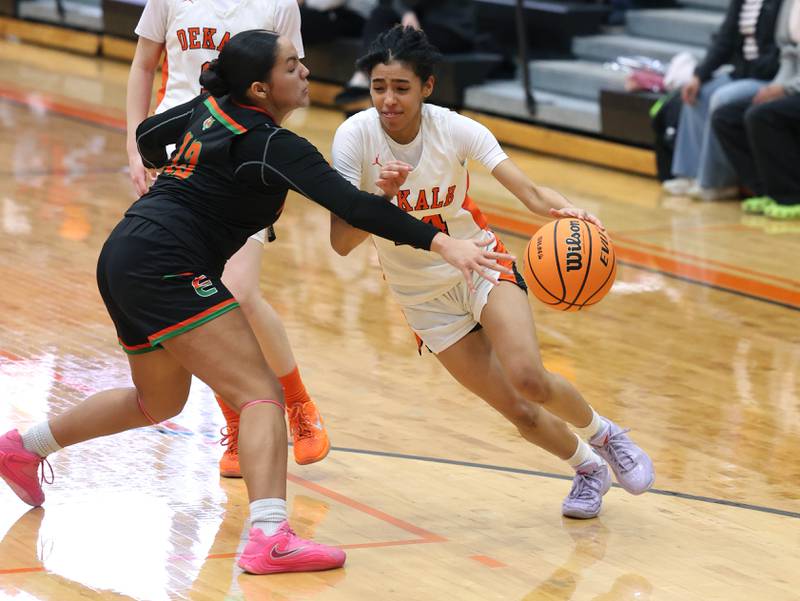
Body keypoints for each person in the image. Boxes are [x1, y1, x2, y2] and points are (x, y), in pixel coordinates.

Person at [0, 30, 509, 574]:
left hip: (126, 252)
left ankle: (23, 447)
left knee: (159, 401)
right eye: (293, 66)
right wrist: (442, 241)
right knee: (261, 393)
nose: (306, 72)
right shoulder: (273, 146)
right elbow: (355, 208)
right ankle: (270, 535)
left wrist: (173, 181)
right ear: (263, 88)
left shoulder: (212, 107)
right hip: (166, 264)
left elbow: (150, 135)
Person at [330, 26, 655, 519]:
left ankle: (605, 435)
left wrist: (572, 213)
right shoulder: (354, 137)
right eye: (379, 87)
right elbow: (341, 241)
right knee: (519, 412)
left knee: (530, 378)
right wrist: (381, 197)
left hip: (481, 263)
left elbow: (529, 193)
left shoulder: (457, 129)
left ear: (427, 88)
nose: (388, 99)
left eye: (401, 88)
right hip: (422, 298)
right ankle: (588, 469)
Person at [126, 0, 328, 476]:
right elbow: (142, 65)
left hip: (239, 158)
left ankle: (298, 404)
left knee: (238, 293)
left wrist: (267, 147)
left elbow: (293, 82)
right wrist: (134, 147)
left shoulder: (279, 5)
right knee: (199, 302)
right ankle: (237, 420)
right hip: (176, 159)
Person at [664, 0, 782, 201]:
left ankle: (717, 182)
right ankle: (689, 173)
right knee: (698, 93)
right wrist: (699, 75)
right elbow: (724, 40)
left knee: (722, 98)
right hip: (742, 72)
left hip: (770, 77)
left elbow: (780, 51)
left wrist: (754, 70)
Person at [712, 0, 800, 220]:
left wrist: (786, 89)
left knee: (763, 116)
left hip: (795, 87)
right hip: (791, 83)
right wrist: (776, 86)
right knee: (727, 116)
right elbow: (788, 54)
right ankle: (764, 189)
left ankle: (791, 195)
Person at [334, 0, 476, 106]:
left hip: (449, 26)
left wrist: (406, 11)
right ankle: (365, 73)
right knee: (382, 14)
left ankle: (366, 79)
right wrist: (406, 12)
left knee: (398, 38)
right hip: (420, 17)